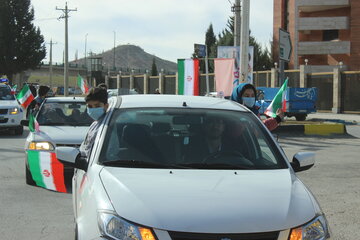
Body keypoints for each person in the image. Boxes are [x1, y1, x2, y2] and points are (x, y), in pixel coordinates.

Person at [80, 86, 109, 158]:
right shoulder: (94, 125)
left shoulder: (109, 126)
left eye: (97, 105)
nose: (93, 109)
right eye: (90, 106)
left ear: (106, 106)